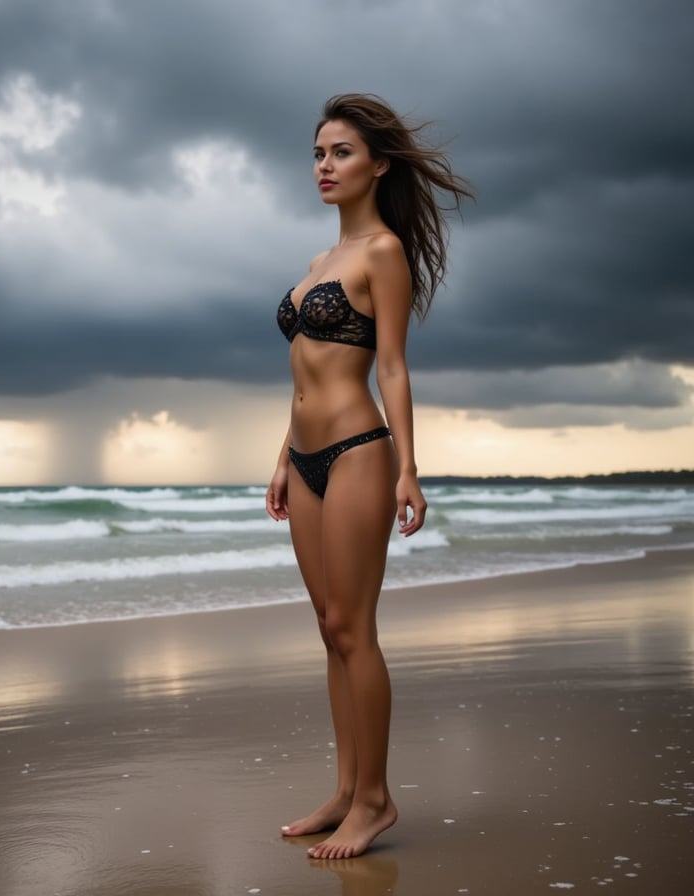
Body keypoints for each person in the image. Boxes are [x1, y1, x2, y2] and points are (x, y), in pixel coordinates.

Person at [265, 93, 472, 860]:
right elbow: (302, 373)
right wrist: (285, 455)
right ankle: (347, 789)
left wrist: (409, 468)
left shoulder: (382, 251)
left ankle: (377, 799)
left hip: (358, 451)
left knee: (355, 629)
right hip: (308, 458)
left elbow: (390, 365)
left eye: (341, 152)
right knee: (329, 630)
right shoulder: (319, 264)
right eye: (318, 153)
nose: (324, 165)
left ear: (378, 164)